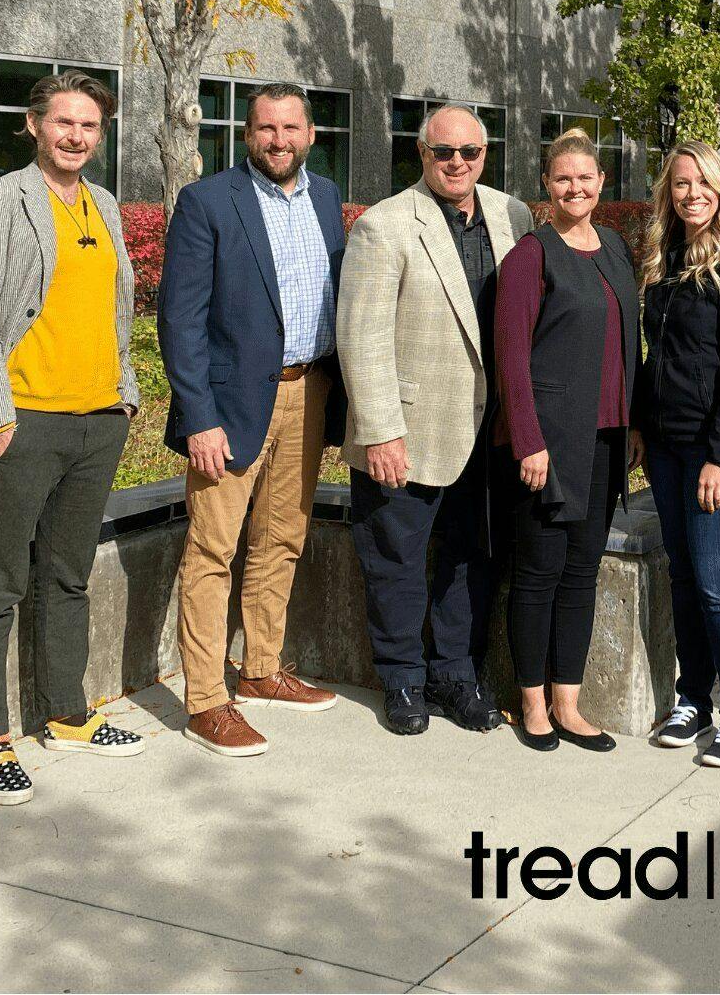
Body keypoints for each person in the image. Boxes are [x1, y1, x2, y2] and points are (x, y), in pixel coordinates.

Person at [0, 71, 144, 805]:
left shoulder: (106, 205)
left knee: (67, 573)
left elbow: (118, 309)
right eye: (63, 122)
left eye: (89, 125)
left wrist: (123, 396)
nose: (75, 136)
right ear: (34, 125)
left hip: (96, 423)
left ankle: (65, 712)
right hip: (24, 422)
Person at [159, 82, 348, 758]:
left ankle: (262, 668)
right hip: (231, 405)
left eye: (290, 128)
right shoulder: (208, 201)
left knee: (282, 539)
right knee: (213, 550)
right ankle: (207, 699)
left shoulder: (326, 198)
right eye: (266, 129)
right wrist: (198, 418)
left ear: (311, 134)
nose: (279, 140)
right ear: (248, 135)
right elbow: (178, 318)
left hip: (309, 390)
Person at [338, 104, 534, 736]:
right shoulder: (384, 225)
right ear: (421, 155)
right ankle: (402, 679)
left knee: (470, 557)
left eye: (469, 153)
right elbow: (360, 337)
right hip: (410, 428)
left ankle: (456, 675)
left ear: (486, 155)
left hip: (490, 430)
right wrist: (379, 429)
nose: (457, 163)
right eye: (443, 152)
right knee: (396, 559)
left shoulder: (513, 215)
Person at [493, 128, 640, 753]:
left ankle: (569, 702)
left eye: (585, 177)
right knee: (539, 572)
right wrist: (528, 441)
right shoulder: (532, 255)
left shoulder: (614, 247)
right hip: (549, 445)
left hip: (606, 438)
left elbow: (628, 343)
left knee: (582, 571)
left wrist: (634, 429)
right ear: (546, 187)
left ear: (601, 182)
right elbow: (511, 358)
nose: (575, 187)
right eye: (563, 179)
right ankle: (532, 704)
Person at [637, 142, 720, 768]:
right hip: (666, 445)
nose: (691, 194)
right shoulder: (663, 261)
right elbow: (654, 357)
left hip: (717, 450)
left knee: (717, 583)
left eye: (702, 184)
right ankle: (693, 697)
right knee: (685, 576)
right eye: (681, 184)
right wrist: (642, 427)